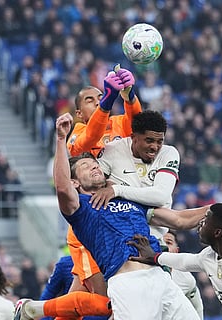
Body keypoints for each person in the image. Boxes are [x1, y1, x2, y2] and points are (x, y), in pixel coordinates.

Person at [14, 113, 206, 320]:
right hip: (127, 283)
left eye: (94, 164)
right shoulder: (81, 210)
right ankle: (34, 310)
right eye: (85, 166)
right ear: (75, 183)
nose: (94, 166)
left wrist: (218, 210)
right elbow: (62, 187)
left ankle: (35, 309)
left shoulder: (131, 198)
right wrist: (61, 140)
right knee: (100, 304)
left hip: (160, 277)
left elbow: (178, 220)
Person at [63, 65, 141, 304]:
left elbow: (140, 126)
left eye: (101, 96)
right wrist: (108, 100)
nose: (97, 102)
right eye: (90, 100)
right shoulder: (75, 132)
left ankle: (34, 310)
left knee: (78, 300)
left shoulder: (119, 124)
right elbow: (90, 139)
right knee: (108, 302)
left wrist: (130, 95)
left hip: (119, 216)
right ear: (79, 113)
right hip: (89, 223)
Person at [163, 230, 204, 319]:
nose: (164, 246)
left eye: (168, 243)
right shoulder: (143, 273)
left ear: (176, 250)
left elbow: (197, 307)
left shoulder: (186, 278)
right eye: (159, 242)